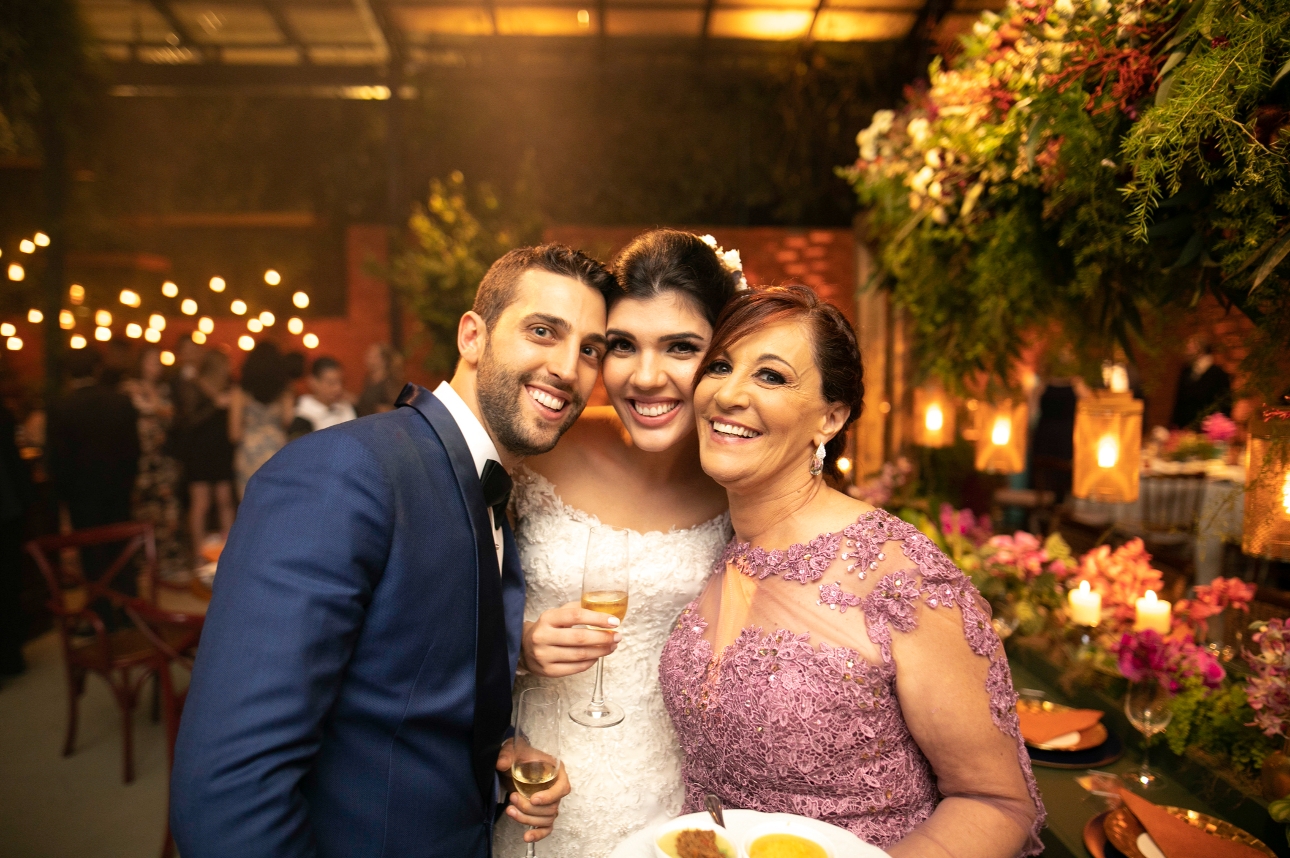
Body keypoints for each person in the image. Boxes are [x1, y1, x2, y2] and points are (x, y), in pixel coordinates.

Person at [170, 244, 616, 858]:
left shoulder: (487, 486)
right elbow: (229, 796)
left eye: (590, 349)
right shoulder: (343, 471)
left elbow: (407, 686)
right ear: (472, 337)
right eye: (543, 331)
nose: (568, 368)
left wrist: (501, 752)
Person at [659, 285, 1044, 857]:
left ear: (831, 417)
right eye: (720, 366)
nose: (729, 394)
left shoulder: (900, 578)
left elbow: (996, 802)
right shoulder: (725, 542)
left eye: (771, 376)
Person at [495, 230, 739, 857]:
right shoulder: (542, 446)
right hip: (535, 783)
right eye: (622, 346)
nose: (646, 377)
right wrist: (516, 646)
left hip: (668, 795)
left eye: (681, 347)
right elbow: (440, 605)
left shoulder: (740, 482)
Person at [46, 349, 141, 613]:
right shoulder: (120, 402)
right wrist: (129, 484)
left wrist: (62, 497)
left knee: (91, 554)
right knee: (123, 549)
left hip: (81, 495)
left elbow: (57, 459)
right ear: (98, 369)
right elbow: (133, 450)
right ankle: (130, 610)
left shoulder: (61, 407)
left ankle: (101, 613)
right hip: (118, 488)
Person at [123, 347, 186, 576]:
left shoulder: (165, 389)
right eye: (151, 362)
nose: (155, 367)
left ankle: (168, 562)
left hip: (164, 459)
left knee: (169, 510)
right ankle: (145, 565)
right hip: (141, 460)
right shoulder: (130, 388)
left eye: (158, 362)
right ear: (140, 363)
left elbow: (173, 418)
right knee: (144, 511)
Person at [175, 350, 236, 563]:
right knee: (201, 503)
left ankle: (229, 554)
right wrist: (215, 405)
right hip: (199, 451)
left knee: (225, 501)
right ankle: (198, 555)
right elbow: (188, 421)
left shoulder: (228, 387)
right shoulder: (193, 386)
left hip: (222, 449)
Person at [230, 341, 293, 498]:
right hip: (277, 449)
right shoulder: (284, 391)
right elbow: (288, 420)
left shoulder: (240, 392)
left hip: (249, 451)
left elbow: (234, 433)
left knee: (249, 503)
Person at [1171, 335, 1231, 429]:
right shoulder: (1186, 371)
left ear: (1200, 349)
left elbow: (1224, 405)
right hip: (1185, 430)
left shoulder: (1218, 374)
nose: (1186, 350)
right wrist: (1174, 427)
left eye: (1190, 347)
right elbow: (1179, 403)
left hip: (1207, 430)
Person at [293, 355, 358, 434]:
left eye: (341, 382)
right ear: (313, 382)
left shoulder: (346, 406)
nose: (338, 388)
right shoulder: (303, 416)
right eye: (331, 383)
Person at [356, 343, 404, 416]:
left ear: (383, 360)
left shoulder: (390, 382)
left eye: (372, 356)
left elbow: (396, 406)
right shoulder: (369, 378)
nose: (367, 358)